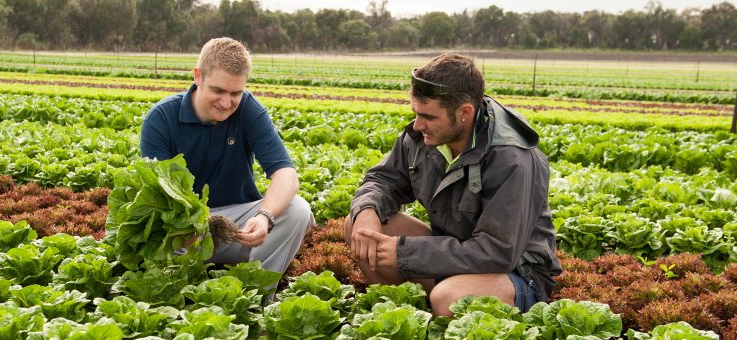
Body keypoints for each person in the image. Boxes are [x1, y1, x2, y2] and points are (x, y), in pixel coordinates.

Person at [344, 53, 562, 316]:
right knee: (359, 228)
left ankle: (442, 309)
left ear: (464, 113)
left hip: (515, 272)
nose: (417, 124)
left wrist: (405, 254)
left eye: (428, 116)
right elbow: (383, 179)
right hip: (455, 251)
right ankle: (412, 318)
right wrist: (367, 210)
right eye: (415, 113)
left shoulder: (512, 158)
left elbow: (497, 251)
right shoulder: (422, 138)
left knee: (450, 299)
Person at [140, 37, 314, 276]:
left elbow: (286, 175)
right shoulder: (161, 118)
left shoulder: (249, 110)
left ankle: (257, 291)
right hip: (184, 232)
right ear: (198, 76)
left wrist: (264, 218)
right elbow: (157, 193)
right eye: (218, 90)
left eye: (235, 93)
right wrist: (180, 226)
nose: (226, 102)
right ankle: (182, 287)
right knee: (143, 236)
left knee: (298, 210)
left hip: (238, 230)